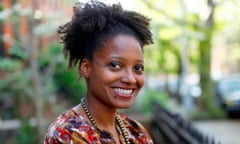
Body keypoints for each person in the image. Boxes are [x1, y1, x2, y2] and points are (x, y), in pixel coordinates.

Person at [44, 0, 153, 143]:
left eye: (137, 68)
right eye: (115, 65)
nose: (131, 79)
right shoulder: (67, 133)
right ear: (86, 68)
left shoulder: (135, 131)